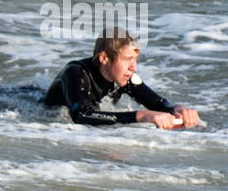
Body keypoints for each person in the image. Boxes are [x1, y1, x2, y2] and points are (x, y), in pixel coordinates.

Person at [43, 28, 201, 128]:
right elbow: (81, 116)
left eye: (135, 60)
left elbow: (157, 103)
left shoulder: (124, 76)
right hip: (42, 114)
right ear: (104, 58)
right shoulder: (76, 73)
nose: (134, 67)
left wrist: (177, 109)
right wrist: (141, 115)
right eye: (127, 60)